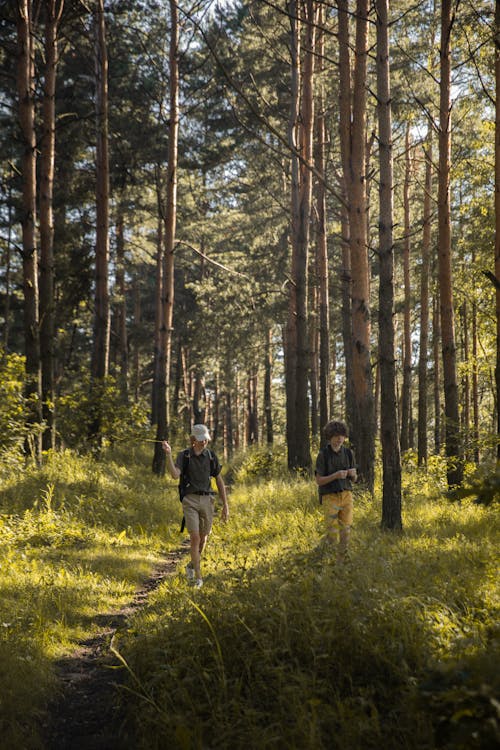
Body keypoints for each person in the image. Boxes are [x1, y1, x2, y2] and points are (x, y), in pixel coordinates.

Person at [162, 424, 229, 588]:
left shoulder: (211, 456)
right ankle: (198, 578)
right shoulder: (184, 456)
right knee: (195, 537)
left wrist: (225, 505)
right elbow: (174, 474)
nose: (204, 441)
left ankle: (191, 565)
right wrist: (168, 455)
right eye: (201, 439)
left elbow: (219, 480)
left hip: (207, 500)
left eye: (206, 438)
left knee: (204, 537)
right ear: (193, 439)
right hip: (190, 500)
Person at [315, 420, 357, 563]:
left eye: (342, 435)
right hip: (329, 496)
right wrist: (335, 475)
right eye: (336, 435)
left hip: (346, 495)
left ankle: (342, 560)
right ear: (330, 436)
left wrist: (353, 474)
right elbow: (319, 480)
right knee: (332, 532)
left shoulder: (348, 453)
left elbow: (355, 479)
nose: (339, 438)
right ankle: (329, 560)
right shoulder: (323, 455)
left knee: (346, 530)